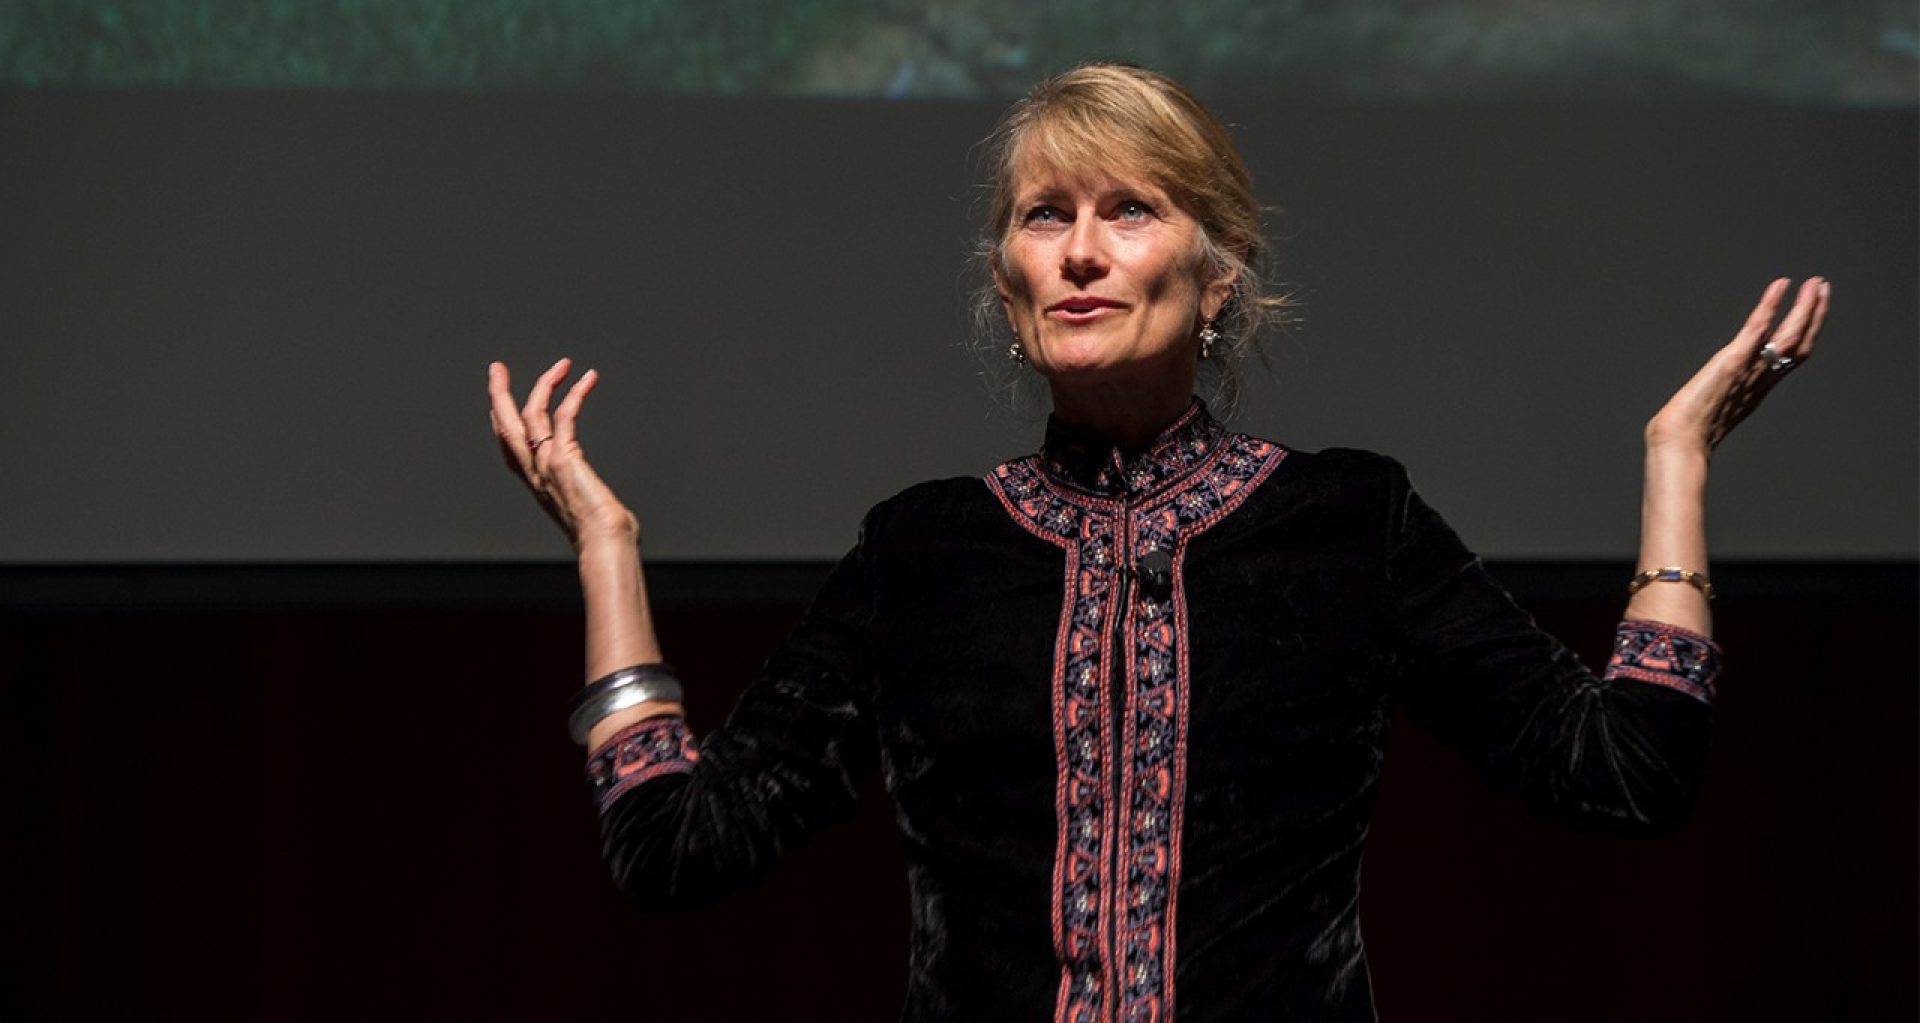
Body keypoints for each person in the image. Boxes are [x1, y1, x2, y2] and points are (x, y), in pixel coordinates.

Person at [486, 63, 1825, 1021]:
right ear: (1005, 286)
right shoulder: (927, 549)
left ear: (1220, 270)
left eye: (1128, 210)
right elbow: (674, 851)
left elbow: (1630, 772)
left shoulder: (1345, 522)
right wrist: (607, 549)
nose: (1078, 252)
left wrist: (1674, 462)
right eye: (1042, 215)